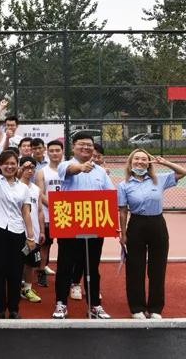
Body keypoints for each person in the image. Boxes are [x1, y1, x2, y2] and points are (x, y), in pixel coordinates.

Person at [53, 131, 114, 320]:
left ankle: (95, 304)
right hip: (70, 223)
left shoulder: (101, 171)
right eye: (81, 144)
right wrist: (81, 167)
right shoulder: (65, 165)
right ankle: (61, 303)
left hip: (94, 223)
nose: (86, 147)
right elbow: (71, 170)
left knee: (92, 267)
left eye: (89, 145)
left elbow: (110, 193)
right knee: (65, 265)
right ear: (73, 146)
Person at [119, 150, 186, 319]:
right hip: (136, 225)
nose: (140, 162)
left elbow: (182, 172)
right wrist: (123, 233)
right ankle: (137, 307)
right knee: (135, 268)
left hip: (157, 224)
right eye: (136, 159)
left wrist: (165, 162)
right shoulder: (124, 185)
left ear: (149, 163)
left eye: (144, 159)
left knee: (158, 268)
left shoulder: (159, 179)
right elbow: (123, 211)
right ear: (131, 162)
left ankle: (155, 308)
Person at [0, 150, 36, 319]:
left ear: (17, 166)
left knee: (15, 272)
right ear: (0, 166)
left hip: (17, 231)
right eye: (6, 163)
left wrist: (31, 236)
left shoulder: (23, 188)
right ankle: (0, 310)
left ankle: (14, 309)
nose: (9, 166)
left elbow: (26, 213)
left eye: (13, 163)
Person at [36, 140, 64, 287]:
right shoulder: (42, 172)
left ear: (62, 152)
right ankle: (41, 271)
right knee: (45, 245)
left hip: (66, 214)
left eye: (57, 150)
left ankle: (65, 273)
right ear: (47, 152)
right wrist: (55, 206)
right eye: (51, 151)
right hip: (48, 213)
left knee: (66, 246)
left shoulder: (68, 170)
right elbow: (40, 193)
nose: (54, 153)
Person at [18, 157, 45, 305]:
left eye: (32, 168)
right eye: (26, 167)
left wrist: (42, 231)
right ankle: (16, 287)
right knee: (17, 261)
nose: (29, 170)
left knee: (30, 263)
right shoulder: (15, 186)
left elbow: (40, 211)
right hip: (17, 231)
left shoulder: (36, 189)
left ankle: (27, 288)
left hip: (33, 232)